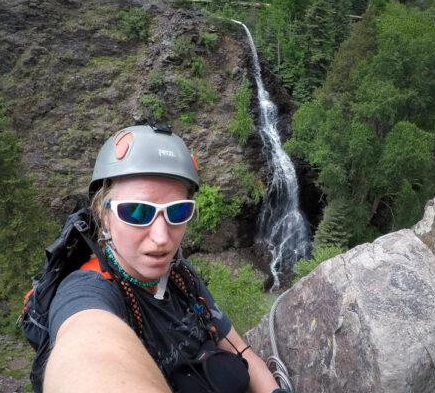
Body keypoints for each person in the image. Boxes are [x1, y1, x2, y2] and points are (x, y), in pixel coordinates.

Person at [44, 125, 285, 393]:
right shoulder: (86, 291)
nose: (161, 238)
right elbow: (87, 354)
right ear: (104, 215)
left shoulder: (180, 275)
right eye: (137, 212)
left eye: (178, 211)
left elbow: (236, 346)